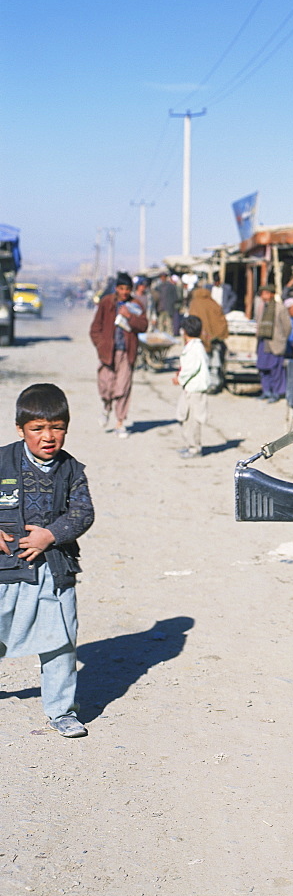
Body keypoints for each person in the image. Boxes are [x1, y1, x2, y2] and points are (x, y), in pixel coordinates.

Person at [0, 384, 94, 738]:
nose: (48, 436)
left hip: (54, 571)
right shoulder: (1, 461)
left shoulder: (71, 470)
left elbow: (84, 512)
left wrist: (50, 535)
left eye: (57, 427)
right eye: (37, 428)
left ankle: (62, 710)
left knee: (61, 640)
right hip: (4, 571)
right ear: (20, 429)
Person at [89, 272, 148, 438]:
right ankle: (106, 407)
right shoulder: (106, 302)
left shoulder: (135, 305)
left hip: (126, 352)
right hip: (108, 352)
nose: (124, 292)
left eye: (127, 289)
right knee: (106, 384)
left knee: (122, 387)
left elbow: (143, 325)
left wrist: (130, 318)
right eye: (121, 288)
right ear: (116, 288)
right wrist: (101, 345)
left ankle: (120, 422)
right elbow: (95, 328)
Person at [173, 316, 210, 459]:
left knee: (194, 420)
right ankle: (189, 445)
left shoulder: (195, 347)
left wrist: (179, 378)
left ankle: (195, 448)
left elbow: (191, 368)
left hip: (195, 390)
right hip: (190, 388)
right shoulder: (193, 346)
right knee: (184, 417)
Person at [188, 279, 229, 392]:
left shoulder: (195, 303)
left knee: (203, 361)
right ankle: (214, 383)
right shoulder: (213, 303)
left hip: (200, 338)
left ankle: (205, 383)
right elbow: (221, 320)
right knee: (215, 361)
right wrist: (217, 333)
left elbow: (192, 321)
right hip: (215, 337)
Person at [253, 285, 291, 403]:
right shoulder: (261, 308)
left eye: (266, 293)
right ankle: (266, 391)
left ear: (271, 294)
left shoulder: (280, 308)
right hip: (263, 342)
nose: (264, 296)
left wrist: (281, 338)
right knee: (263, 368)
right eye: (262, 294)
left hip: (275, 343)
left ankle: (276, 393)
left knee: (276, 369)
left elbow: (287, 326)